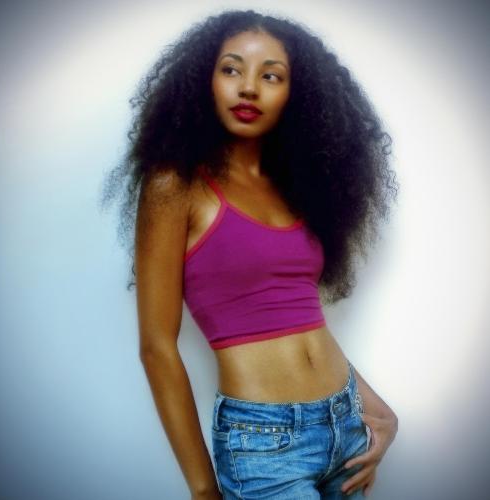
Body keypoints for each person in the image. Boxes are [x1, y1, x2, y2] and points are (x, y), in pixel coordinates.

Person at [101, 8, 399, 499]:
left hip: (346, 424)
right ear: (205, 79)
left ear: (295, 94)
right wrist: (203, 488)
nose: (248, 88)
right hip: (263, 446)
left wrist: (377, 410)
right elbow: (157, 346)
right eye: (231, 69)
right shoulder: (176, 185)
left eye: (271, 76)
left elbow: (301, 317)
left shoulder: (292, 188)